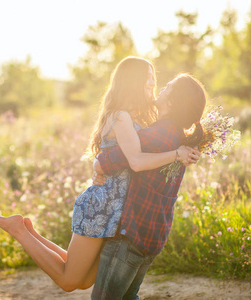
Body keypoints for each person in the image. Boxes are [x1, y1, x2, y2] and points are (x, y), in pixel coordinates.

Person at [0, 57, 200, 292]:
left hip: (115, 210)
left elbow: (121, 157)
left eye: (153, 76)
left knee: (83, 280)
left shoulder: (137, 119)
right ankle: (19, 231)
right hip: (102, 207)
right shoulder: (121, 116)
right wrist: (177, 153)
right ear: (132, 81)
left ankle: (29, 231)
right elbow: (135, 160)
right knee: (68, 281)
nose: (153, 82)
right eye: (147, 77)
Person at [90, 73, 207, 299]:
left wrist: (97, 167)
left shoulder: (157, 136)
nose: (161, 88)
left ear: (171, 102)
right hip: (151, 235)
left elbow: (103, 162)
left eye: (168, 87)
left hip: (129, 236)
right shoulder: (177, 137)